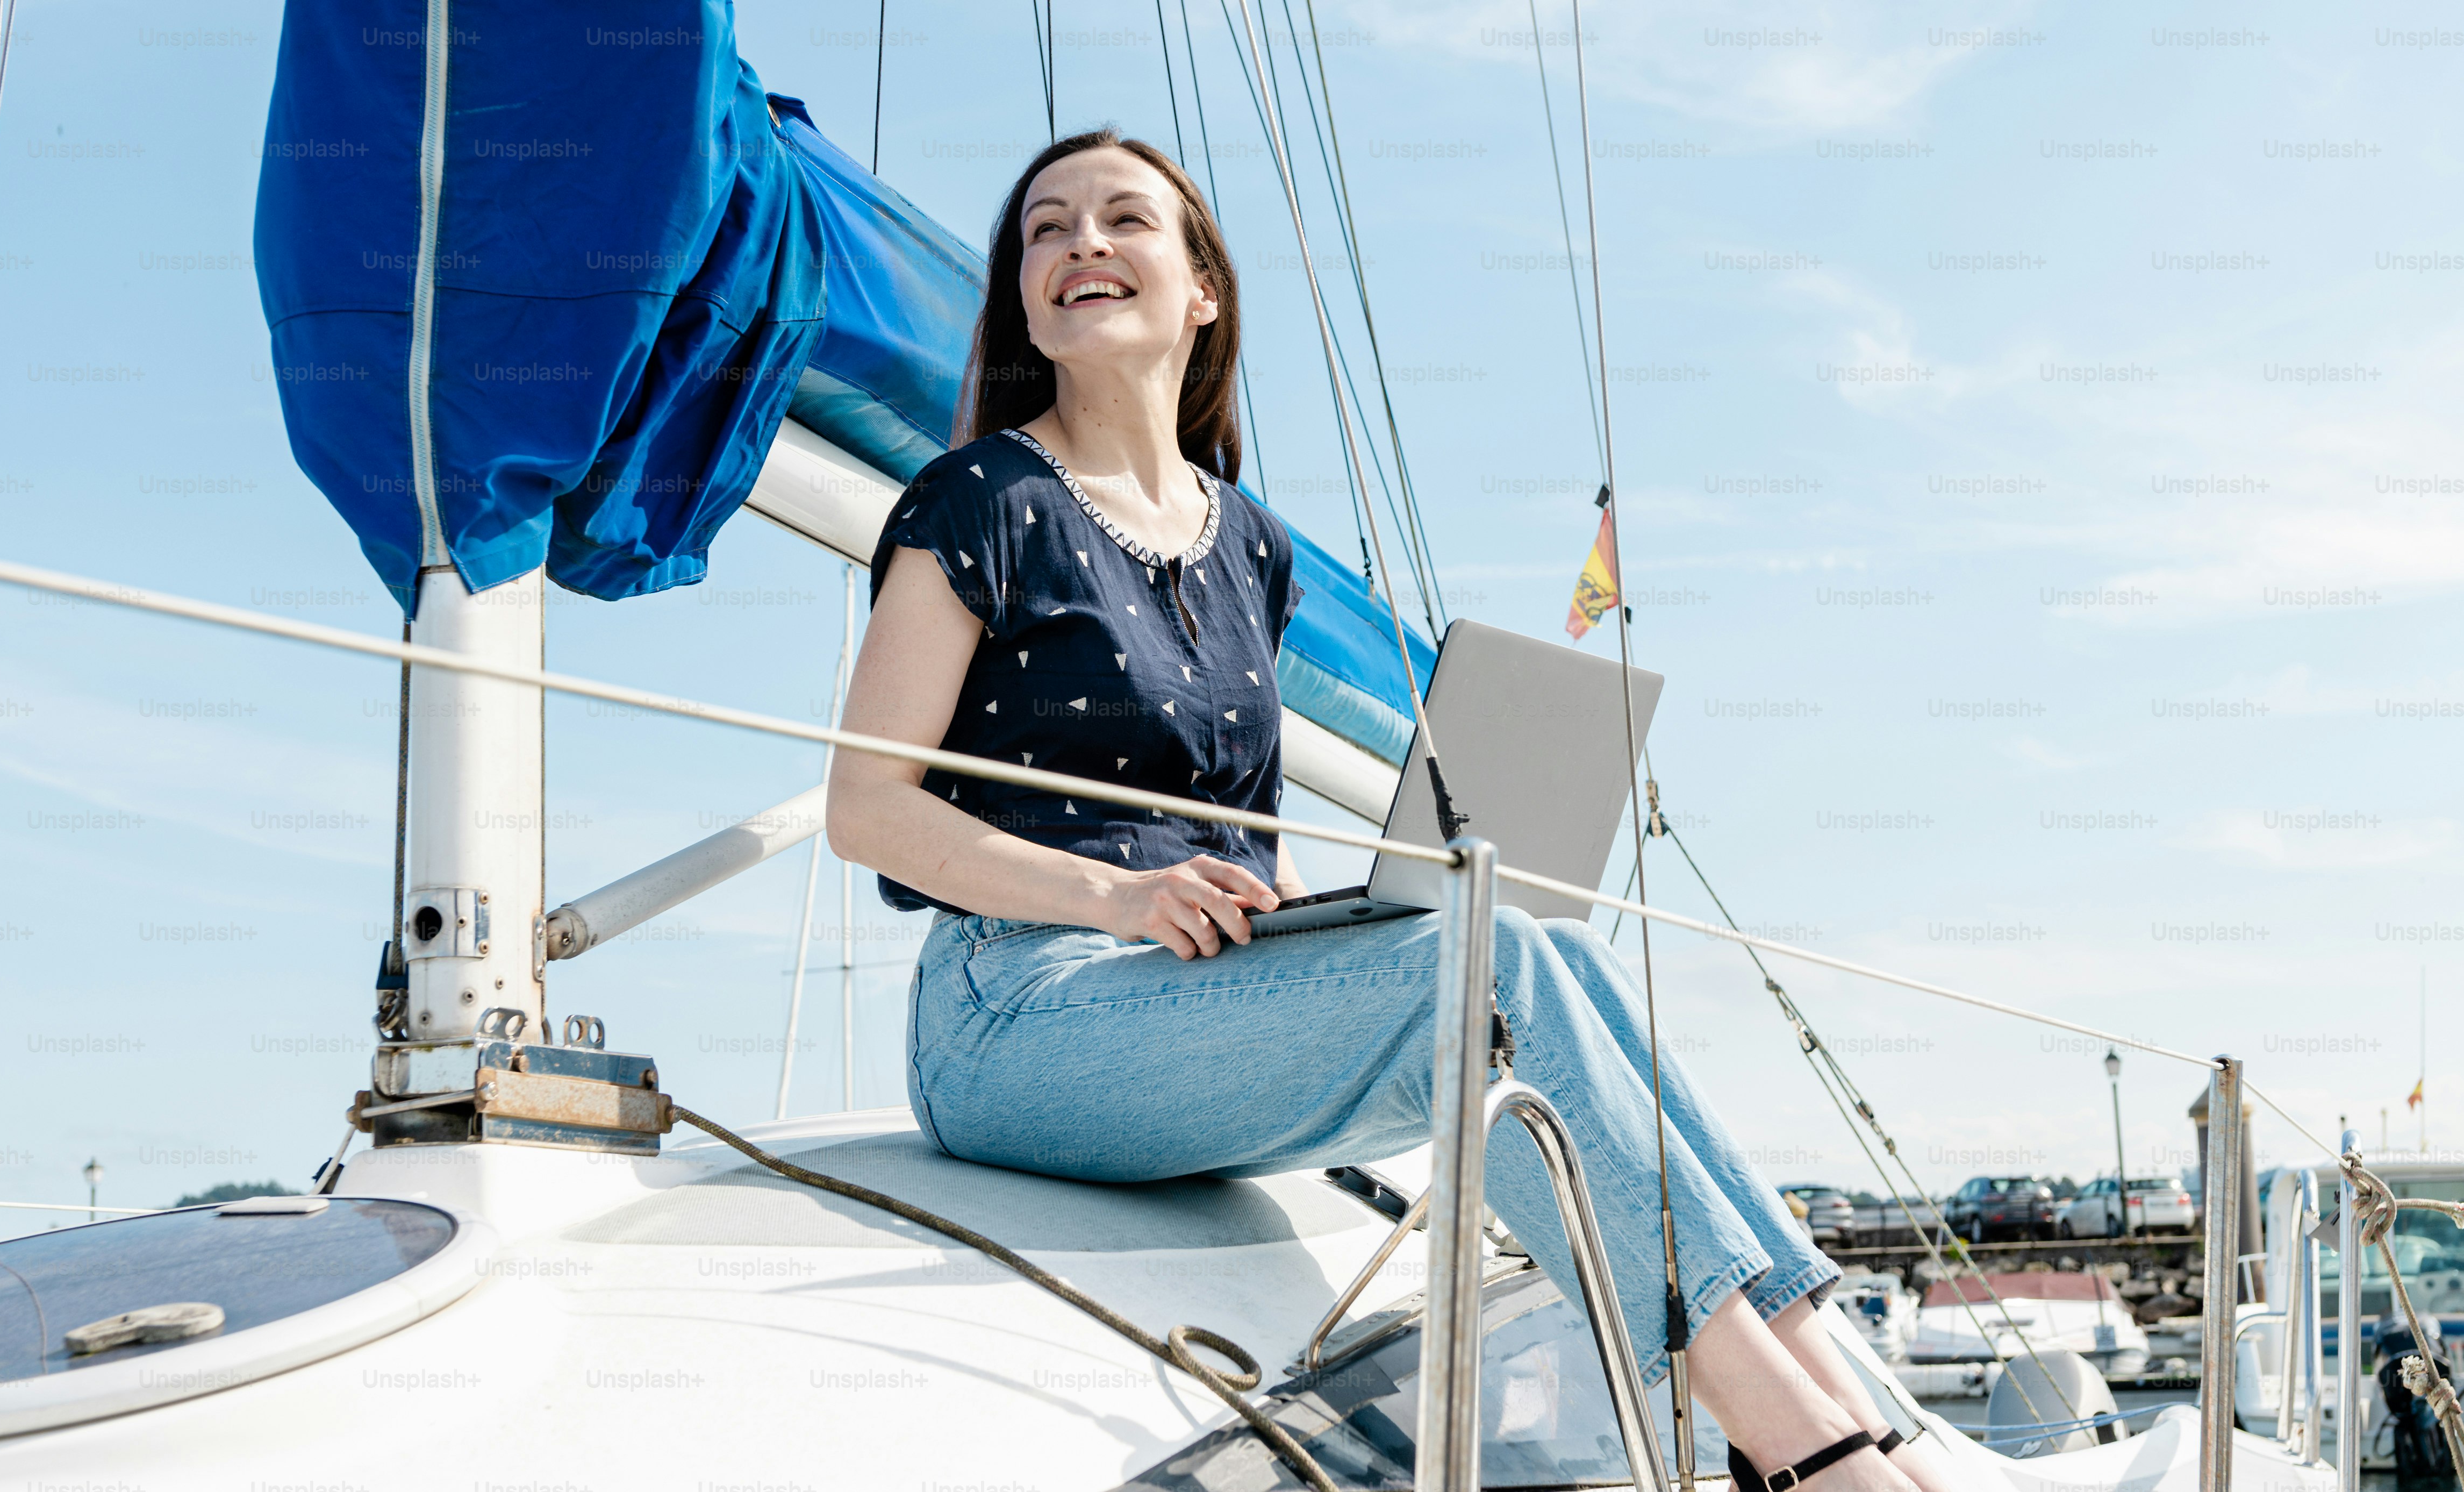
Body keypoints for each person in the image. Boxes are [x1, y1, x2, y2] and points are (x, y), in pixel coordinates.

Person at [825, 129, 1957, 1492]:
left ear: (1203, 290)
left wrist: (1311, 925)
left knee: (1555, 952)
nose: (1081, 244)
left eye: (1124, 218)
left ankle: (1857, 1412)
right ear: (1023, 294)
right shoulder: (978, 500)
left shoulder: (1250, 542)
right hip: (1014, 1010)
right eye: (1045, 229)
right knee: (1492, 964)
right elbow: (865, 807)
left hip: (1184, 998)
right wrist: (1116, 893)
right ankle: (1820, 1455)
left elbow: (1231, 828)